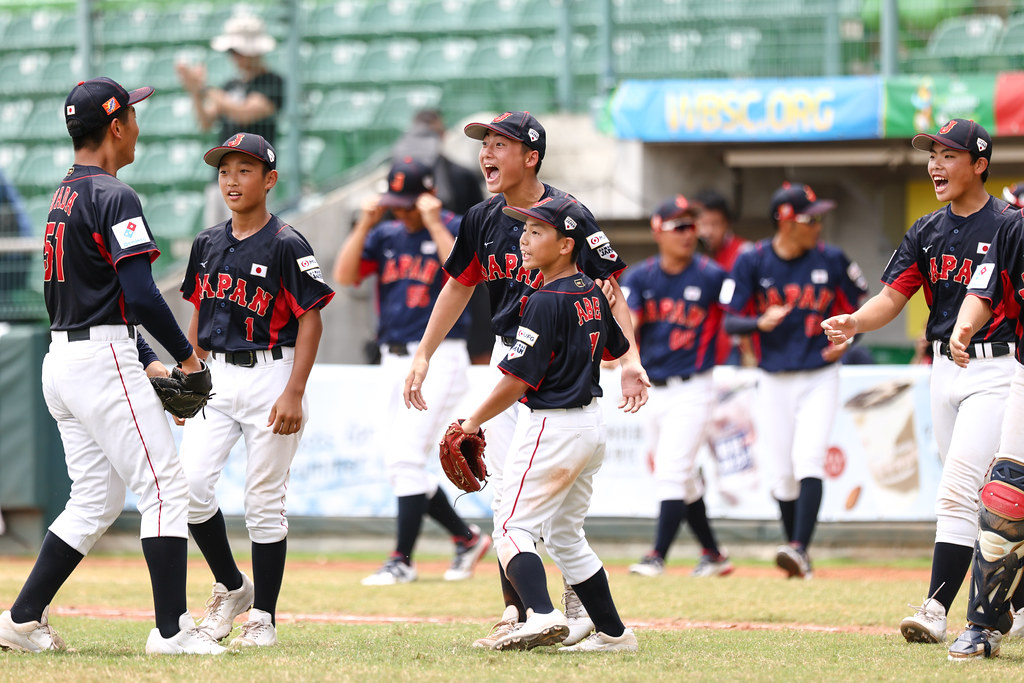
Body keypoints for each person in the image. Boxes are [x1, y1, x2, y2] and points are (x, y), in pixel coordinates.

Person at [402, 111, 650, 649]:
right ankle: (523, 614)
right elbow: (457, 285)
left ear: (531, 156)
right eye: (483, 144)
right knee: (515, 500)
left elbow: (609, 291)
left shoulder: (567, 214)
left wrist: (630, 359)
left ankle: (546, 612)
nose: (486, 153)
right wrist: (424, 352)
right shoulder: (480, 218)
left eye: (500, 144)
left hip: (548, 363)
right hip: (510, 356)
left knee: (516, 508)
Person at [0, 77, 223, 655]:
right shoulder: (113, 194)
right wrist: (186, 357)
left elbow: (100, 297)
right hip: (100, 359)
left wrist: (145, 360)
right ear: (117, 126)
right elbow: (143, 295)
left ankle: (21, 620)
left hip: (65, 357)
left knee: (95, 499)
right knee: (165, 488)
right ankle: (172, 630)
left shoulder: (64, 194)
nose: (137, 125)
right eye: (133, 114)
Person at [821, 119, 1017, 648]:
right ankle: (1011, 601)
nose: (935, 163)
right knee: (977, 497)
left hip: (996, 368)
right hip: (943, 368)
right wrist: (854, 322)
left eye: (949, 155)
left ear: (979, 163)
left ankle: (937, 608)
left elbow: (989, 297)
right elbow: (893, 296)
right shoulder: (926, 229)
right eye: (932, 154)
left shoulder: (1007, 224)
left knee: (959, 489)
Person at [457, 196, 637, 652]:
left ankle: (540, 614)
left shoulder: (542, 299)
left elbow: (516, 379)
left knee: (510, 527)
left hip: (552, 426)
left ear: (564, 245)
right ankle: (614, 635)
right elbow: (615, 349)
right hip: (590, 427)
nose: (524, 237)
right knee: (563, 533)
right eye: (524, 229)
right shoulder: (591, 292)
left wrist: (472, 421)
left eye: (537, 232)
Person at [176, 132, 334, 649]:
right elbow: (196, 308)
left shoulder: (288, 243)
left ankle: (262, 615)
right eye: (225, 171)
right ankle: (231, 584)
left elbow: (310, 321)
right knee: (190, 487)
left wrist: (294, 391)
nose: (232, 180)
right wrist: (191, 375)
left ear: (269, 179)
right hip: (217, 376)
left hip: (272, 372)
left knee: (263, 503)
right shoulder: (207, 242)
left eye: (245, 170)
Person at [332, 157, 491, 586]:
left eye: (407, 202)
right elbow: (345, 276)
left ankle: (402, 558)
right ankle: (466, 537)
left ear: (428, 195)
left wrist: (435, 222)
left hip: (441, 355)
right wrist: (364, 225)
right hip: (393, 356)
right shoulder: (384, 233)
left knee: (405, 458)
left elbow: (462, 275)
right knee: (401, 462)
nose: (400, 210)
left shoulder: (456, 225)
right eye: (394, 202)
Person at [723, 181, 868, 580]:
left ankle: (800, 548)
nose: (818, 225)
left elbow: (864, 307)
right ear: (785, 221)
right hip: (772, 379)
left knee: (809, 458)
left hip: (820, 373)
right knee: (781, 474)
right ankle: (798, 554)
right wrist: (758, 321)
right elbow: (730, 318)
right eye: (810, 218)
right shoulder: (752, 261)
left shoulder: (832, 258)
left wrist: (850, 336)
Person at [623, 196, 733, 579]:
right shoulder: (640, 277)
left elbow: (737, 317)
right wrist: (619, 355)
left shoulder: (712, 274)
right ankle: (714, 554)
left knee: (671, 472)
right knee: (680, 477)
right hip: (654, 388)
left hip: (694, 386)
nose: (690, 234)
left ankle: (657, 556)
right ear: (658, 230)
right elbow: (628, 326)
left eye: (693, 225)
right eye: (680, 227)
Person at [944, 195, 1024, 660]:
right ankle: (982, 625)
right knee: (1006, 494)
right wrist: (965, 327)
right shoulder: (1015, 229)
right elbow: (984, 289)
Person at [394, 109, 492, 365]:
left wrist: (439, 225)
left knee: (477, 348)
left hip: (459, 266)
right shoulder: (399, 176)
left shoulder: (461, 176)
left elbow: (479, 227)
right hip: (416, 271)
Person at [176, 11, 284, 227]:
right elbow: (206, 121)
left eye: (237, 51)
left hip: (253, 175)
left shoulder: (272, 82)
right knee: (217, 238)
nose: (234, 56)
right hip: (222, 175)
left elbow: (244, 111)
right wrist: (195, 92)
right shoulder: (230, 85)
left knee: (249, 236)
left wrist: (205, 89)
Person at [695, 189, 749, 366]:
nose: (708, 231)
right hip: (697, 345)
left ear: (727, 224)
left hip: (735, 346)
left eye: (715, 224)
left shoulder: (745, 254)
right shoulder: (690, 256)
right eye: (703, 224)